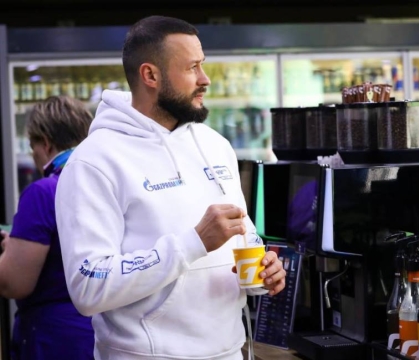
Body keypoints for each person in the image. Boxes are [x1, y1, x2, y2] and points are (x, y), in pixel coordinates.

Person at [55, 15, 286, 360]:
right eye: (192, 67)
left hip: (231, 351)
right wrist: (192, 243)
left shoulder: (215, 145)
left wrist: (263, 265)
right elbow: (88, 287)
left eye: (202, 65)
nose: (205, 79)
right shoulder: (94, 161)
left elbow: (243, 235)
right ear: (151, 75)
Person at [0, 95, 94, 360]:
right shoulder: (106, 185)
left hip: (55, 341)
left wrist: (8, 255)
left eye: (33, 147)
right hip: (103, 334)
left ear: (46, 142)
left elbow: (14, 283)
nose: (33, 155)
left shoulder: (44, 191)